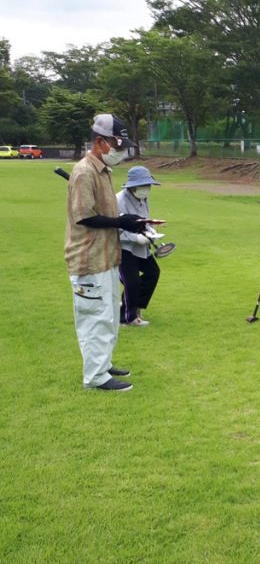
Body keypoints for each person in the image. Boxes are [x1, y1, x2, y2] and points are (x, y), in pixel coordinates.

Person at [65, 114, 147, 391]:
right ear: (100, 142)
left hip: (107, 257)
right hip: (89, 259)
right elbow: (84, 217)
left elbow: (105, 212)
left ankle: (104, 364)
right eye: (116, 144)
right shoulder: (84, 172)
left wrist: (125, 219)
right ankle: (95, 377)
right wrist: (119, 222)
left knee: (109, 316)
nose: (119, 151)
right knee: (94, 319)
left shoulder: (102, 172)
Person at [117, 165, 162, 327]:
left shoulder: (142, 199)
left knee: (153, 272)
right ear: (133, 186)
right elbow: (117, 228)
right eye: (143, 185)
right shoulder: (119, 201)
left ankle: (134, 306)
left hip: (140, 245)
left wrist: (151, 231)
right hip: (123, 247)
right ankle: (127, 318)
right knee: (132, 281)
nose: (147, 189)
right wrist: (135, 237)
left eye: (148, 185)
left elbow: (145, 219)